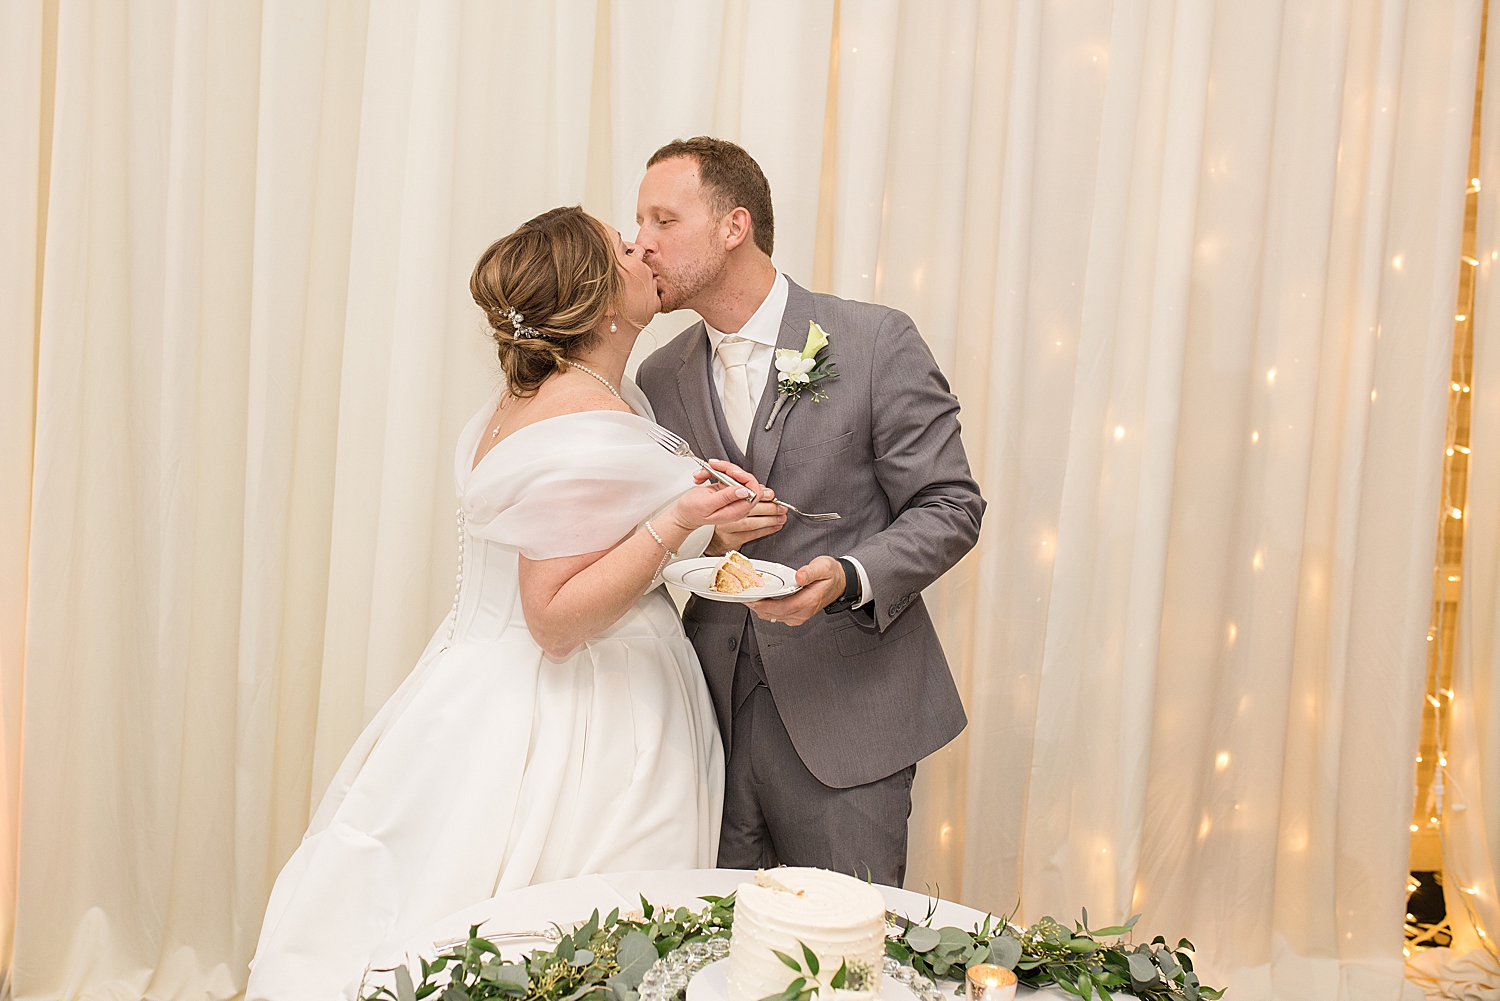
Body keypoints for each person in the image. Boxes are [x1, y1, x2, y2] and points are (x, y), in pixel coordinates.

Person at [246, 206, 759, 1001]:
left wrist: (705, 520)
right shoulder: (585, 417)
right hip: (584, 715)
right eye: (625, 246)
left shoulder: (550, 396)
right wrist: (683, 517)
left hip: (477, 682)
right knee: (577, 932)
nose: (643, 249)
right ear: (597, 298)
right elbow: (553, 618)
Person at [635, 138, 985, 887]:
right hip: (707, 725)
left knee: (845, 954)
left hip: (849, 720)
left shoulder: (873, 340)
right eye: (639, 223)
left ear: (735, 226)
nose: (642, 243)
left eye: (663, 220)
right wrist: (706, 530)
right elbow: (656, 524)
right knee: (712, 951)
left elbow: (951, 504)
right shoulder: (658, 375)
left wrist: (851, 574)